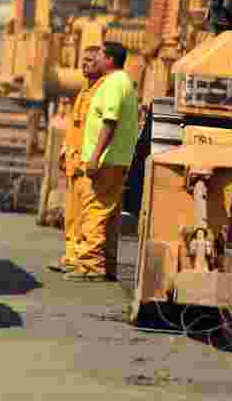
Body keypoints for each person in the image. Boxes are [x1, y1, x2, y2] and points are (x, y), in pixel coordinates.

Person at [66, 41, 139, 282]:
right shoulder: (119, 82)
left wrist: (95, 156)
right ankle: (107, 263)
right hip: (116, 159)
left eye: (98, 56)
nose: (94, 60)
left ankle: (90, 266)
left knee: (95, 210)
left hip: (107, 160)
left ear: (109, 60)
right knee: (110, 213)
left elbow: (110, 120)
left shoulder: (114, 84)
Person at [47, 31, 104, 274]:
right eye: (83, 60)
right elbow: (75, 125)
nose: (84, 65)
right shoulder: (83, 92)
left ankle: (85, 262)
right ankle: (71, 257)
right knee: (71, 217)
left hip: (87, 164)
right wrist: (64, 150)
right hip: (73, 162)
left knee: (85, 217)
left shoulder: (101, 92)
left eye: (90, 61)